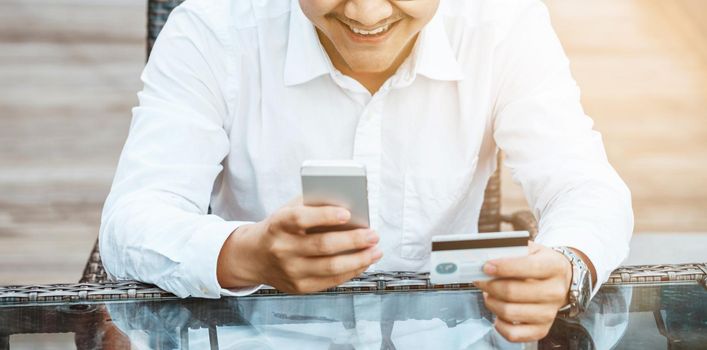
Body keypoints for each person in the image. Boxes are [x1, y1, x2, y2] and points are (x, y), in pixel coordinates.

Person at [100, 0, 633, 342]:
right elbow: (132, 220)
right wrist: (248, 253)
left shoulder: (505, 25)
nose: (367, 11)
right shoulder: (211, 29)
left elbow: (585, 185)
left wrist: (568, 264)